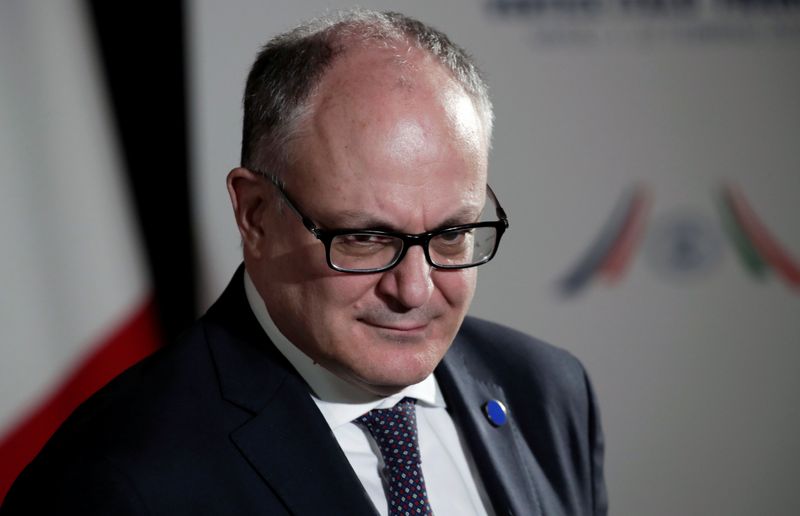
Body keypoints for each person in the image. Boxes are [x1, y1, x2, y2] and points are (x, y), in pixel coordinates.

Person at [2, 10, 607, 516]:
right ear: (256, 215)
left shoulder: (548, 393)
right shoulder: (116, 480)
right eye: (366, 239)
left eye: (451, 234)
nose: (415, 290)